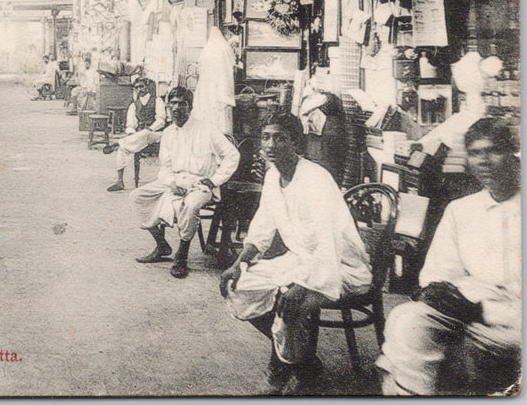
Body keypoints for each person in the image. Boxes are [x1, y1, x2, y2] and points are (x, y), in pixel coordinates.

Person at [219, 113, 371, 394]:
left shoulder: (315, 178)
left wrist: (302, 287)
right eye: (266, 137)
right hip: (300, 259)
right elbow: (262, 229)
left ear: (295, 142)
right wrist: (237, 263)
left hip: (338, 264)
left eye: (280, 137)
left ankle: (281, 372)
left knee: (294, 301)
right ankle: (305, 364)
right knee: (238, 286)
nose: (271, 144)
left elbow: (329, 243)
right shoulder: (272, 175)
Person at [376, 118, 521, 396]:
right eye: (476, 153)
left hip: (513, 318)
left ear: (512, 152)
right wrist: (448, 297)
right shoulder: (461, 209)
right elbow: (438, 274)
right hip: (469, 307)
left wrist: (483, 309)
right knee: (405, 318)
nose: (484, 161)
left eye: (493, 151)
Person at [130, 86, 239, 279]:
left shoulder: (206, 129)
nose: (177, 108)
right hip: (175, 181)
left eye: (182, 103)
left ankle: (182, 255)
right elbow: (165, 167)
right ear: (168, 107)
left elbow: (232, 155)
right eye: (173, 103)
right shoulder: (169, 133)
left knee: (190, 205)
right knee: (137, 196)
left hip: (200, 184)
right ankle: (162, 245)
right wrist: (171, 183)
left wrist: (214, 181)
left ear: (191, 107)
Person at [103, 78, 167, 191]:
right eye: (136, 87)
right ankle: (120, 181)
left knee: (143, 133)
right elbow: (130, 125)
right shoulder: (133, 105)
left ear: (147, 87)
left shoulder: (157, 101)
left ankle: (118, 143)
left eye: (141, 86)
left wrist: (151, 128)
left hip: (155, 134)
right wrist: (132, 133)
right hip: (139, 137)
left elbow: (161, 120)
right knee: (123, 148)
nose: (139, 89)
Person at [194, 18, 238, 136]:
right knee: (222, 115)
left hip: (208, 89)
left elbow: (199, 70)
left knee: (209, 114)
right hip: (222, 87)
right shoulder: (224, 49)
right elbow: (233, 65)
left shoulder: (206, 51)